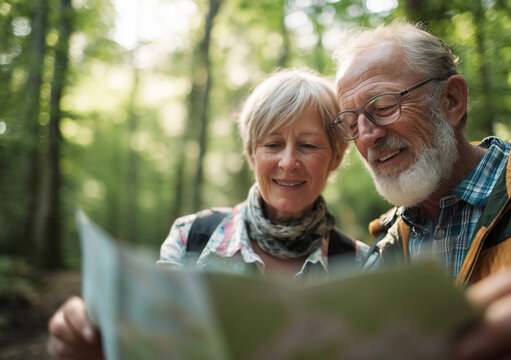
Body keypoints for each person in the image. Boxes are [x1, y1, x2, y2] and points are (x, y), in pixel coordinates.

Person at [47, 68, 368, 358]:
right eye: (272, 144)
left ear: (336, 158)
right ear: (252, 155)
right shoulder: (192, 236)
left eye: (308, 146)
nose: (287, 162)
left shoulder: (362, 265)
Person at [331, 21, 511, 359]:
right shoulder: (383, 253)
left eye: (383, 106)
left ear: (452, 101)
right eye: (352, 123)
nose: (367, 135)